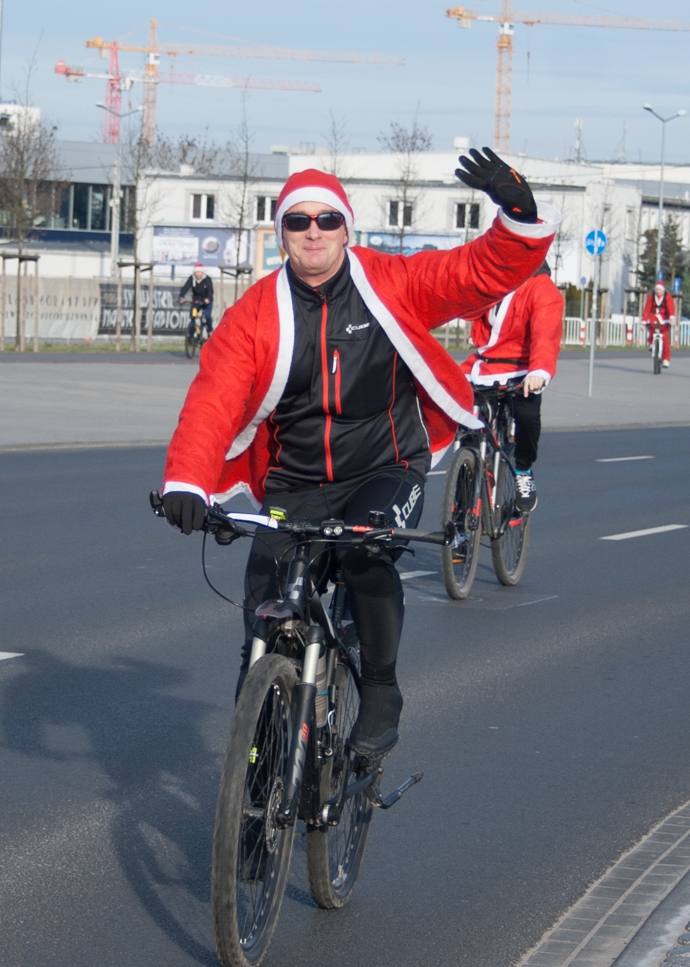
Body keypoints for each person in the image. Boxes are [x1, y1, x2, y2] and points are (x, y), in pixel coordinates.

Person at [159, 148, 559, 759]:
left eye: (326, 220)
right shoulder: (255, 314)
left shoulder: (391, 283)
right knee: (264, 609)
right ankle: (258, 771)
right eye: (299, 221)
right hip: (293, 483)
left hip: (385, 469)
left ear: (348, 229)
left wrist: (518, 208)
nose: (313, 232)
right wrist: (188, 481)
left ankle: (379, 688)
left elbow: (476, 272)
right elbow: (212, 398)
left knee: (368, 555)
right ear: (281, 233)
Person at [461, 262, 564, 511]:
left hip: (521, 370)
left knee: (527, 415)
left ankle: (523, 469)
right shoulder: (495, 279)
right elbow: (463, 300)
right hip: (483, 367)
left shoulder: (542, 288)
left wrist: (538, 371)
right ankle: (462, 512)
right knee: (464, 426)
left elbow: (545, 333)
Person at [642, 278, 676, 368]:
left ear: (663, 290)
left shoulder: (668, 297)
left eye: (659, 289)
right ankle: (651, 343)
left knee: (665, 338)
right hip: (654, 316)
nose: (658, 291)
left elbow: (670, 308)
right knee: (651, 328)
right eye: (656, 289)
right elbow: (647, 309)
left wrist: (672, 318)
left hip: (665, 318)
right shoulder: (651, 297)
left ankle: (665, 359)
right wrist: (643, 322)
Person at [179, 264, 215, 346]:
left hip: (206, 302)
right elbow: (185, 288)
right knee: (193, 317)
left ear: (202, 272)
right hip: (197, 301)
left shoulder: (207, 279)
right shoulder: (192, 278)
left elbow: (210, 290)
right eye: (196, 273)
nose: (198, 274)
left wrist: (208, 299)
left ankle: (210, 330)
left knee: (207, 316)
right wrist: (182, 297)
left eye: (199, 272)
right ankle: (190, 337)